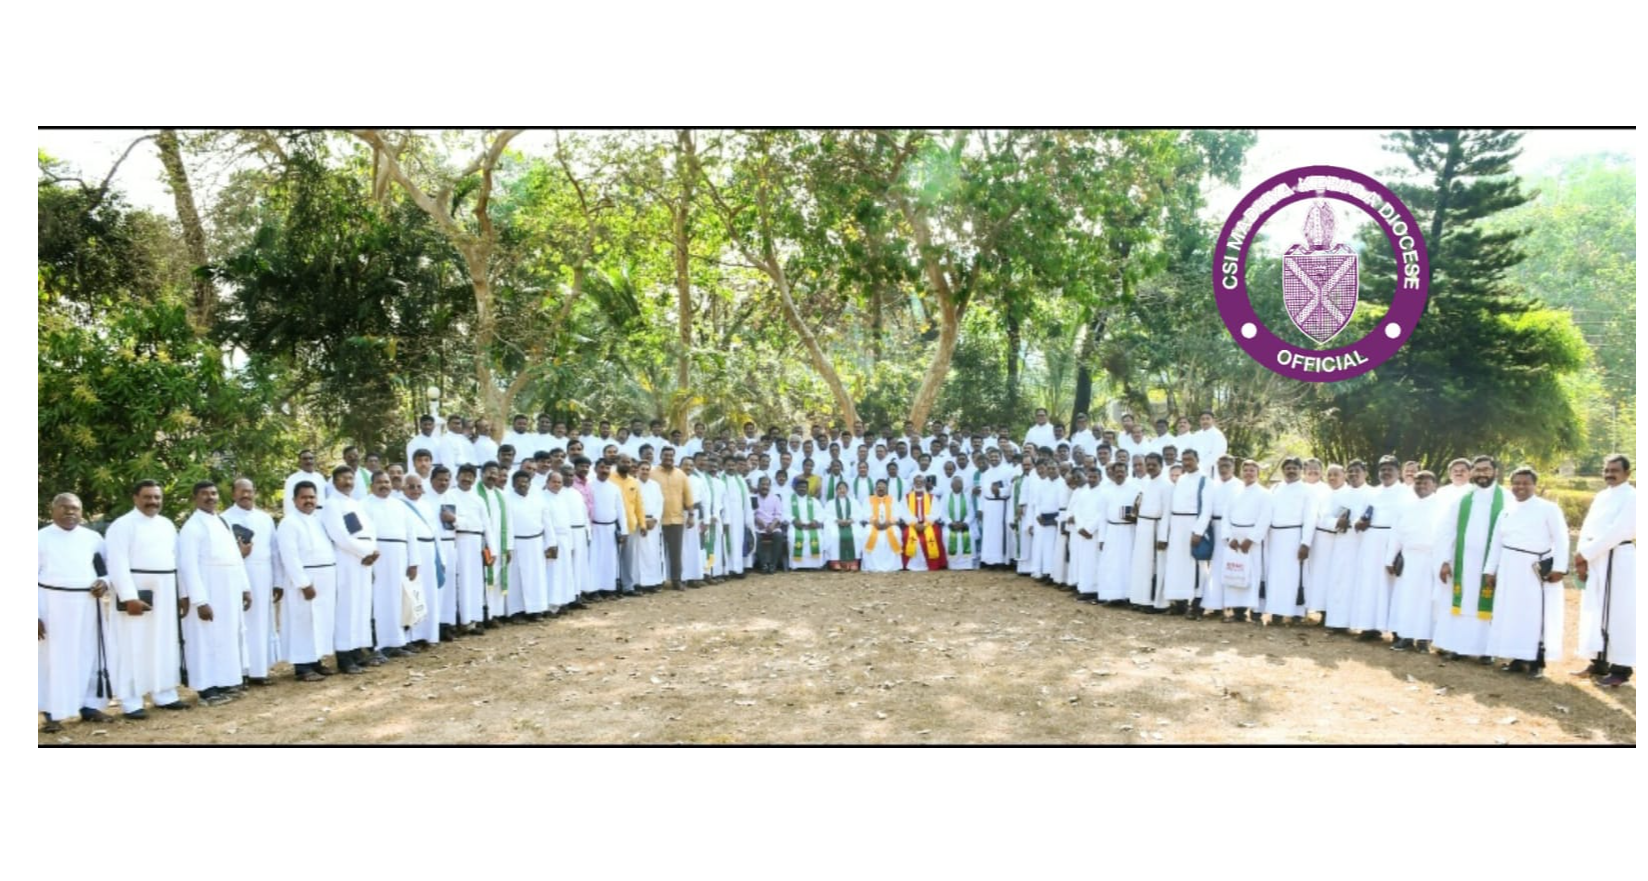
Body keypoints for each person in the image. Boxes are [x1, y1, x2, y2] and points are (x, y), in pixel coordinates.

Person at [105, 480, 188, 717]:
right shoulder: (122, 525)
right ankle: (132, 701)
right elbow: (117, 563)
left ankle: (164, 694)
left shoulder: (167, 525)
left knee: (163, 642)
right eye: (147, 497)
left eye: (157, 497)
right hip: (137, 590)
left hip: (165, 588)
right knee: (133, 645)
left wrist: (181, 593)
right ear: (135, 498)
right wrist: (129, 596)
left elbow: (177, 561)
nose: (153, 502)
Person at [38, 492, 114, 732]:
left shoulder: (93, 538)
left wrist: (104, 581)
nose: (70, 512)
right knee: (53, 659)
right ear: (53, 510)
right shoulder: (39, 538)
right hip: (51, 603)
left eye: (75, 509)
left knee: (88, 654)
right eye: (64, 508)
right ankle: (52, 712)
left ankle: (88, 705)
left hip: (87, 604)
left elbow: (106, 568)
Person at [1483, 467, 1569, 677]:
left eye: (1525, 483)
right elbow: (1496, 543)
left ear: (1534, 485)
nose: (1520, 487)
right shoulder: (1506, 510)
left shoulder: (1548, 508)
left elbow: (1561, 538)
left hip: (1533, 569)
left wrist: (1559, 567)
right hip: (1508, 567)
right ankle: (1516, 657)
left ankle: (1535, 661)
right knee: (1511, 613)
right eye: (1516, 483)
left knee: (1532, 614)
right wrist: (1490, 570)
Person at [177, 480, 252, 706]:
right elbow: (188, 566)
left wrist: (244, 588)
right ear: (195, 498)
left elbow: (235, 558)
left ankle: (225, 682)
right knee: (206, 639)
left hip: (228, 590)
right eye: (204, 494)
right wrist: (200, 601)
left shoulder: (222, 522)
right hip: (208, 590)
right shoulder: (192, 527)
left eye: (213, 493)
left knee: (228, 637)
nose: (210, 497)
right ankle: (206, 689)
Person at [1572, 454, 1636, 686]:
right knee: (1595, 610)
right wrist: (1582, 555)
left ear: (1627, 473)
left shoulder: (1633, 497)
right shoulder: (1602, 496)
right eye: (1606, 470)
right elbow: (1588, 526)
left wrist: (1586, 553)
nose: (1609, 474)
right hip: (1596, 558)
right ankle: (1598, 662)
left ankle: (1621, 669)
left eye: (1615, 470)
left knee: (1617, 613)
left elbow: (1617, 531)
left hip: (1617, 557)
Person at [1435, 456, 1505, 662]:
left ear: (1495, 472)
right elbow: (1447, 530)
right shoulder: (1463, 499)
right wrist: (1445, 560)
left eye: (1486, 470)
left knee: (1488, 607)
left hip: (1492, 562)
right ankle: (1459, 646)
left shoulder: (1506, 498)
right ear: (1472, 472)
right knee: (1463, 604)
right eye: (1478, 470)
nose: (1482, 474)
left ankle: (1487, 651)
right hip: (1463, 562)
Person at [274, 481, 338, 682]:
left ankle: (316, 661)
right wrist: (303, 583)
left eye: (312, 497)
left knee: (319, 622)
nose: (309, 501)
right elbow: (289, 557)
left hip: (325, 576)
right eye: (304, 497)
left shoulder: (318, 520)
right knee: (303, 622)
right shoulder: (289, 523)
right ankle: (302, 666)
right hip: (305, 580)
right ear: (294, 500)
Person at [221, 478, 279, 685]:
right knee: (240, 624)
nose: (246, 495)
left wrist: (278, 581)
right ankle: (240, 672)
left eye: (249, 491)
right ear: (233, 494)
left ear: (255, 492)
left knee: (261, 623)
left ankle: (259, 671)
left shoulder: (265, 519)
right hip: (238, 575)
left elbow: (274, 551)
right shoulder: (224, 519)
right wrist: (240, 553)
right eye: (241, 491)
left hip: (263, 575)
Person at [323, 467, 379, 672]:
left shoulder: (356, 504)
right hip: (347, 558)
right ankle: (344, 655)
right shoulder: (331, 505)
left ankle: (357, 649)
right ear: (335, 481)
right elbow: (340, 536)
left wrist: (373, 550)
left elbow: (370, 530)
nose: (348, 482)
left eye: (350, 478)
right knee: (347, 607)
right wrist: (365, 551)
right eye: (343, 478)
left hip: (365, 560)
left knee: (361, 605)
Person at [1385, 470, 1442, 652]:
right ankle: (1405, 636)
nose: (1421, 486)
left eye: (1426, 482)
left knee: (1426, 601)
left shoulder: (1442, 506)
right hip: (1409, 558)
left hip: (1430, 559)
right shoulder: (1405, 506)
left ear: (1434, 485)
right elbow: (1396, 534)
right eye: (1418, 482)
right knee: (1406, 599)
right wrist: (1390, 558)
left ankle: (1424, 640)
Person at [362, 471, 416, 654]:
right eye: (379, 482)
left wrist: (413, 562)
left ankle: (396, 642)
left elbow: (411, 534)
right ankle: (378, 645)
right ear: (372, 486)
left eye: (386, 482)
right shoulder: (364, 505)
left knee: (397, 600)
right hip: (377, 556)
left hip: (400, 556)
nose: (384, 485)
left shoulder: (400, 505)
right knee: (378, 601)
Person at [1261, 457, 1316, 625]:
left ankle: (1296, 612)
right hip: (1275, 537)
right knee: (1275, 576)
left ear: (1301, 470)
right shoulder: (1275, 488)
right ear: (1283, 470)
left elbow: (1310, 518)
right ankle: (1276, 611)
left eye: (1294, 468)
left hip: (1295, 536)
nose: (1291, 471)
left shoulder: (1308, 490)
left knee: (1295, 576)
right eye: (1288, 468)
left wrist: (1305, 543)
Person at [1161, 449, 1212, 616]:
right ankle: (1179, 602)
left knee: (1196, 566)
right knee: (1177, 565)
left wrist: (1198, 531)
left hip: (1193, 525)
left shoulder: (1205, 480)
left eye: (1190, 459)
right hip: (1177, 526)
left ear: (1197, 460)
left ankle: (1197, 603)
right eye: (1184, 460)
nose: (1187, 463)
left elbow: (1206, 509)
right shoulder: (1181, 479)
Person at [1323, 461, 1372, 633]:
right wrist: (1337, 522)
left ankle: (1364, 626)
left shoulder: (1372, 493)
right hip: (1343, 543)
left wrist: (1365, 523)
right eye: (1350, 472)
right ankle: (1339, 623)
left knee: (1363, 584)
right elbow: (1325, 518)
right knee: (1341, 583)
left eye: (1357, 471)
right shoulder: (1339, 494)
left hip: (1364, 544)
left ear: (1365, 472)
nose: (1353, 475)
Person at [1220, 460, 1271, 623]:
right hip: (1235, 538)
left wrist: (1251, 539)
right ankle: (1237, 611)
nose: (1249, 473)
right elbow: (1225, 516)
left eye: (1252, 470)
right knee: (1234, 572)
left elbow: (1265, 519)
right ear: (1241, 472)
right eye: (1246, 470)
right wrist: (1229, 537)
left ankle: (1255, 612)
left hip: (1251, 540)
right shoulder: (1234, 491)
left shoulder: (1264, 494)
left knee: (1253, 573)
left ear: (1258, 473)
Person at [399, 473, 444, 647]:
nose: (416, 490)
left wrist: (441, 557)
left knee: (430, 594)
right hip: (414, 552)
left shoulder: (427, 505)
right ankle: (412, 636)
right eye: (411, 486)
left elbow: (435, 532)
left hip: (430, 550)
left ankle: (429, 634)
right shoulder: (400, 505)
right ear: (404, 488)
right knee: (413, 595)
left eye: (419, 486)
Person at [1127, 454, 1171, 611]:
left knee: (1154, 566)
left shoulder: (1166, 485)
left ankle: (1155, 602)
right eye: (1148, 464)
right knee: (1141, 566)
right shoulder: (1146, 483)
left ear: (1161, 465)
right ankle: (1140, 599)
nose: (1150, 467)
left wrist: (1162, 536)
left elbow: (1166, 513)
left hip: (1155, 527)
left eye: (1154, 464)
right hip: (1143, 527)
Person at [545, 469, 588, 610]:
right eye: (554, 482)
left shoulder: (562, 497)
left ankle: (563, 601)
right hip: (552, 540)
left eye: (559, 482)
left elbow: (567, 521)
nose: (557, 485)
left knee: (565, 572)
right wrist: (551, 543)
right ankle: (551, 604)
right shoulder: (543, 498)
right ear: (547, 482)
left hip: (565, 538)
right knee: (553, 573)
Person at [1095, 461, 1136, 605]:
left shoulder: (1135, 489)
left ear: (1127, 472)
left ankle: (1128, 596)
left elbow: (1138, 511)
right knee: (1111, 565)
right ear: (1113, 473)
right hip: (1111, 531)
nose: (1119, 474)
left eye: (1122, 471)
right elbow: (1102, 516)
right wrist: (1101, 538)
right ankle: (1113, 596)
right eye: (1117, 471)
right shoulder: (1106, 491)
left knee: (1128, 564)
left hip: (1128, 531)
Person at [655, 446, 694, 591]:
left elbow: (688, 496)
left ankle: (676, 580)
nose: (668, 458)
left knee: (676, 552)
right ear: (660, 456)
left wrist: (691, 515)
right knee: (657, 552)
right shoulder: (653, 473)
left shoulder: (681, 474)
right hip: (658, 520)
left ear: (674, 457)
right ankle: (658, 580)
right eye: (666, 455)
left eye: (671, 456)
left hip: (676, 519)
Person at [589, 458, 630, 596]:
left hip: (611, 529)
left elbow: (621, 510)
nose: (604, 471)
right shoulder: (590, 486)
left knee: (610, 560)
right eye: (601, 467)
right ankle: (595, 589)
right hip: (595, 528)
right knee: (595, 559)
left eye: (607, 468)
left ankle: (609, 588)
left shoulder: (614, 488)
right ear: (595, 470)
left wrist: (624, 531)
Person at [1067, 468, 1104, 601]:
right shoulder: (1083, 492)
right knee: (1083, 561)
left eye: (1095, 477)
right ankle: (1084, 588)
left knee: (1095, 562)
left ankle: (1095, 590)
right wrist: (1081, 527)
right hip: (1082, 532)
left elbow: (1102, 513)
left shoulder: (1103, 492)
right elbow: (1077, 511)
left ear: (1100, 478)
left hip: (1095, 532)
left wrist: (1089, 528)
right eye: (1090, 477)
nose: (1092, 479)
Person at [900, 476, 947, 571]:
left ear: (925, 484)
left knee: (935, 535)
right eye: (916, 482)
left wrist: (925, 524)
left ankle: (932, 564)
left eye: (921, 482)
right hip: (912, 525)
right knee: (906, 535)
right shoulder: (906, 497)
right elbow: (904, 513)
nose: (918, 484)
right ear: (913, 484)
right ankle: (909, 564)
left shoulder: (932, 497)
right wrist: (914, 524)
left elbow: (935, 513)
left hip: (928, 524)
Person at [978, 449, 1016, 569]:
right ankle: (989, 560)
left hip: (1001, 504)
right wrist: (981, 509)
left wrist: (1000, 491)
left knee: (1000, 533)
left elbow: (1011, 488)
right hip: (988, 505)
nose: (994, 458)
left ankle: (1002, 560)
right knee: (989, 534)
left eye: (996, 456)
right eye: (992, 456)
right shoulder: (985, 473)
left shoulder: (1008, 471)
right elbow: (982, 493)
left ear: (1001, 457)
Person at [634, 462, 666, 590]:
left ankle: (653, 582)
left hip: (653, 523)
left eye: (647, 469)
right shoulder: (633, 484)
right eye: (643, 469)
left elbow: (660, 503)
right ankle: (639, 582)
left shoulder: (655, 485)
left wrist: (655, 519)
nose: (645, 471)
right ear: (637, 470)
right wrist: (641, 521)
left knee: (652, 553)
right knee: (639, 554)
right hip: (638, 524)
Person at [861, 480, 903, 574]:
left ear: (887, 489)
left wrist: (888, 522)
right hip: (873, 525)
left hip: (889, 525)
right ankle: (871, 565)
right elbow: (865, 513)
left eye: (883, 487)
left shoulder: (893, 499)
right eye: (879, 487)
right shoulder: (868, 499)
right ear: (875, 488)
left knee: (896, 534)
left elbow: (897, 514)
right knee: (867, 533)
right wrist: (875, 522)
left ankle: (893, 566)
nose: (881, 489)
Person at [824, 480, 867, 572]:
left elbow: (859, 514)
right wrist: (837, 520)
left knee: (855, 535)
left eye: (844, 488)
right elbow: (827, 515)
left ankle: (853, 562)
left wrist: (850, 520)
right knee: (834, 535)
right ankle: (835, 562)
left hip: (851, 523)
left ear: (847, 490)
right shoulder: (830, 503)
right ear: (836, 490)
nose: (841, 490)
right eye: (839, 488)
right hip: (835, 524)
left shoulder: (854, 502)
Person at [680, 456, 709, 587]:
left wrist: (706, 519)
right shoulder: (676, 479)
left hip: (695, 515)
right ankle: (682, 576)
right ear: (680, 466)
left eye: (691, 465)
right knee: (682, 547)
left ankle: (695, 576)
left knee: (695, 547)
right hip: (679, 514)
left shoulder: (698, 480)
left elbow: (705, 501)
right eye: (686, 465)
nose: (688, 468)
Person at [788, 478, 827, 570]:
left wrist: (816, 521)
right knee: (793, 537)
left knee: (819, 537)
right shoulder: (789, 500)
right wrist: (794, 520)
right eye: (800, 487)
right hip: (796, 527)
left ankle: (815, 565)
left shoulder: (813, 500)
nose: (802, 489)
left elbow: (822, 513)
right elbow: (785, 513)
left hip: (811, 526)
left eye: (805, 487)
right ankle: (797, 565)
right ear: (795, 488)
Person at [752, 477, 786, 574]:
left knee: (779, 536)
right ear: (758, 486)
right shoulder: (753, 497)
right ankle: (763, 564)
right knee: (755, 537)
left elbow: (778, 514)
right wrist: (758, 521)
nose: (765, 487)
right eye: (763, 484)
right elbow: (751, 513)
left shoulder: (775, 498)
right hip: (758, 526)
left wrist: (772, 525)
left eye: (767, 485)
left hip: (773, 526)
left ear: (770, 486)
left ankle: (773, 564)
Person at [943, 474, 977, 571]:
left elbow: (971, 513)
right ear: (951, 485)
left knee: (969, 535)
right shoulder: (946, 497)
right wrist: (950, 523)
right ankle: (951, 563)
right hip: (950, 525)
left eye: (960, 484)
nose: (959, 486)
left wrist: (964, 523)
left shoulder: (967, 497)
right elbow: (943, 513)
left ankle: (967, 564)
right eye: (956, 483)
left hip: (964, 525)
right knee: (946, 535)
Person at [283, 449, 327, 519]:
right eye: (305, 459)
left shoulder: (320, 477)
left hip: (321, 516)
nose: (308, 461)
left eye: (311, 458)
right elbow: (288, 502)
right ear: (300, 462)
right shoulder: (292, 479)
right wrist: (290, 518)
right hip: (301, 517)